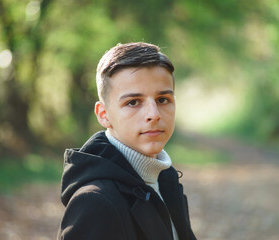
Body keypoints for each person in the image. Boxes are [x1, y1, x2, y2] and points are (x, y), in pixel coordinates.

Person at [57, 42, 197, 240]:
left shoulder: (166, 183)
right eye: (133, 102)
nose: (153, 114)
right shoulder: (95, 203)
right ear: (104, 114)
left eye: (163, 99)